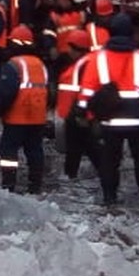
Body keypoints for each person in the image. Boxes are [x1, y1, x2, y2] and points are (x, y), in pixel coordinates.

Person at [74, 12, 139, 207]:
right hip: (137, 117)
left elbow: (87, 89)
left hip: (111, 118)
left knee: (110, 160)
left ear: (111, 33)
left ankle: (110, 198)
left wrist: (82, 110)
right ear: (131, 33)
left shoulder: (98, 58)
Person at [0, 25, 49, 194]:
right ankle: (35, 186)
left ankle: (8, 186)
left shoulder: (13, 65)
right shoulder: (41, 65)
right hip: (37, 119)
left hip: (17, 118)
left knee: (8, 152)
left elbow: (6, 93)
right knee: (35, 151)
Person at [53, 28, 102, 182]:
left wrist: (81, 113)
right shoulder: (84, 62)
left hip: (79, 113)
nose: (69, 51)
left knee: (81, 146)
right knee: (80, 146)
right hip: (76, 112)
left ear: (77, 48)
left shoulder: (84, 65)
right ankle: (73, 173)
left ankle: (72, 174)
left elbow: (85, 90)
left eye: (71, 48)